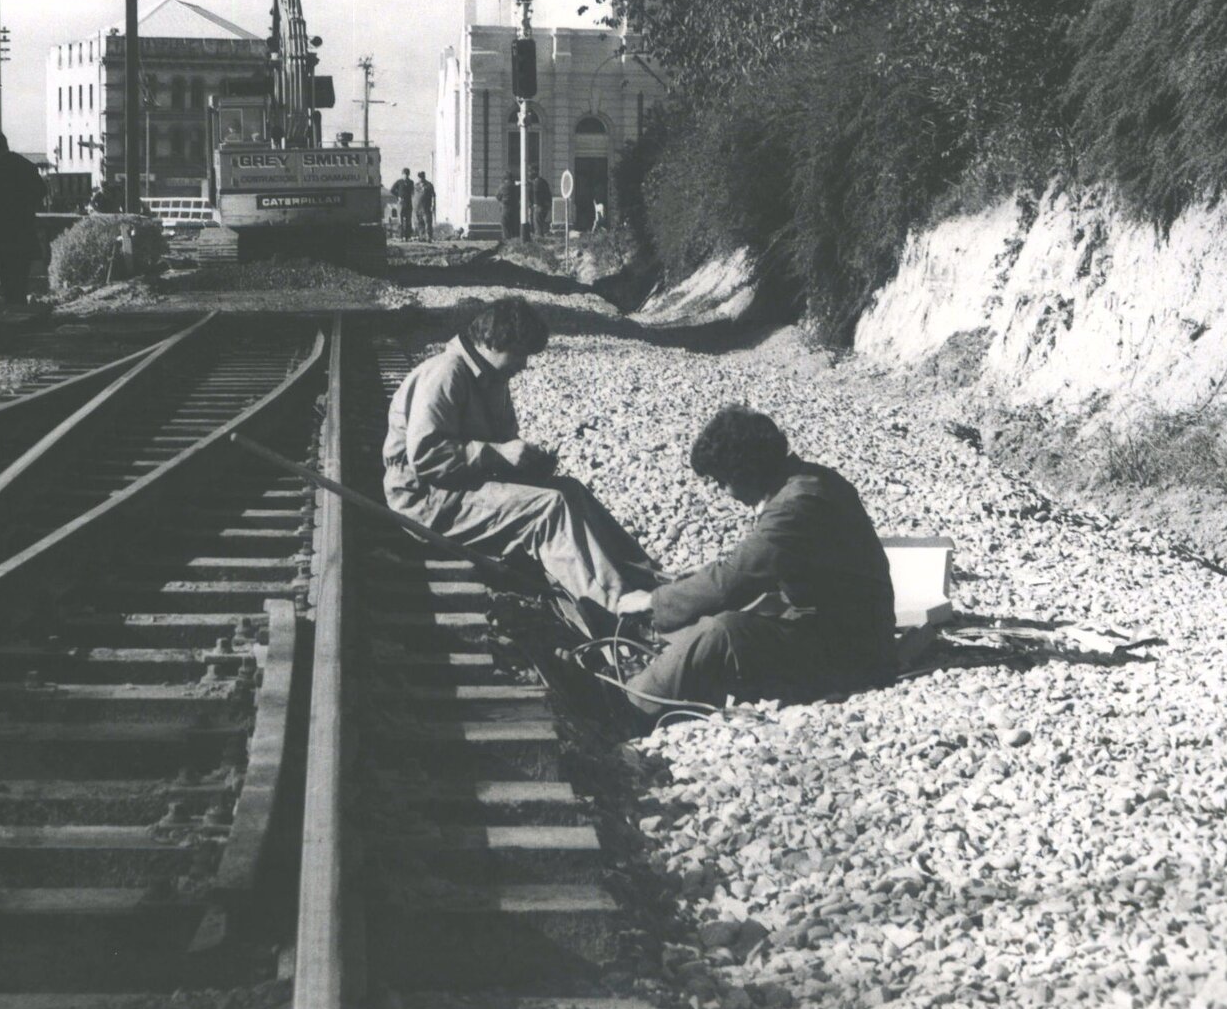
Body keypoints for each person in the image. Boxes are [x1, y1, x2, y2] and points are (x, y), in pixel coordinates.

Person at [384, 298, 661, 631]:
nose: (524, 364)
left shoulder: (491, 379)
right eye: (519, 353)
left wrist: (528, 465)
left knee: (570, 490)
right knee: (549, 508)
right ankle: (619, 613)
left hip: (459, 486)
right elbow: (426, 456)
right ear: (492, 342)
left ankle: (649, 580)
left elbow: (499, 447)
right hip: (428, 499)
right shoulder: (446, 372)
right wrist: (497, 454)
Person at [611, 405, 897, 718]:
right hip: (845, 633)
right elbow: (758, 564)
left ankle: (626, 710)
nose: (722, 491)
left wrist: (653, 601)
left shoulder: (797, 503)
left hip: (851, 656)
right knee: (719, 622)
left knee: (723, 632)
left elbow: (735, 579)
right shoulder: (810, 481)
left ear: (747, 472)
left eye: (722, 482)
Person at [0, 130, 46, 310]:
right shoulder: (25, 165)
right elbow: (42, 191)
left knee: (6, 271)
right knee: (21, 273)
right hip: (25, 225)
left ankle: (13, 306)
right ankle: (19, 305)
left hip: (4, 227)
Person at [391, 167, 416, 241]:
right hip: (401, 202)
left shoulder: (411, 182)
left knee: (408, 220)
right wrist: (398, 196)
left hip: (408, 202)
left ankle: (407, 237)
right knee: (400, 221)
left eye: (407, 174)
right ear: (402, 174)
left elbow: (413, 191)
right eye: (404, 174)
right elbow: (392, 190)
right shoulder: (399, 182)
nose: (406, 176)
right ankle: (401, 236)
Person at [413, 171, 436, 241]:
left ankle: (429, 237)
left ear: (424, 177)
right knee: (419, 223)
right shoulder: (415, 185)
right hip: (417, 207)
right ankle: (421, 237)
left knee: (428, 222)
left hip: (426, 207)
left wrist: (433, 204)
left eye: (422, 177)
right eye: (419, 177)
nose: (420, 179)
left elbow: (433, 195)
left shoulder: (429, 185)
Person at [531, 172, 552, 238]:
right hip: (545, 206)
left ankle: (539, 238)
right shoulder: (543, 181)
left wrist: (535, 204)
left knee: (538, 224)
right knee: (540, 223)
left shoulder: (536, 183)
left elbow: (536, 194)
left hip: (539, 206)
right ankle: (540, 236)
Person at [501, 172, 521, 240]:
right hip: (515, 209)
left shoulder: (503, 186)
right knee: (515, 226)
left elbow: (498, 196)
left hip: (506, 208)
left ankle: (507, 240)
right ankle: (515, 240)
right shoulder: (516, 187)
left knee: (506, 226)